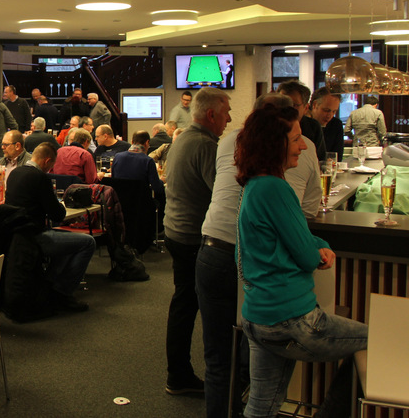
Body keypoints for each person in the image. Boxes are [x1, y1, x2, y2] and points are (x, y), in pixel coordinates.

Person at [235, 105, 367, 418]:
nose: (304, 145)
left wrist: (316, 244)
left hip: (258, 316)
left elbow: (296, 239)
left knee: (261, 407)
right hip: (291, 319)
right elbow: (307, 255)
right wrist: (317, 248)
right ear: (275, 144)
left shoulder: (255, 186)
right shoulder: (276, 188)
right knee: (373, 341)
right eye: (296, 139)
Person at [196, 92, 321, 418]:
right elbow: (308, 213)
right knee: (259, 355)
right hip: (262, 263)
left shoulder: (228, 142)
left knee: (218, 357)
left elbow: (221, 191)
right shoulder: (301, 148)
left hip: (214, 250)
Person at [163, 87, 231, 396]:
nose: (229, 119)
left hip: (175, 230)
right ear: (212, 114)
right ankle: (180, 375)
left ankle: (178, 373)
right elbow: (222, 193)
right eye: (227, 112)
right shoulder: (205, 145)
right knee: (193, 307)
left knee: (183, 304)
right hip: (192, 236)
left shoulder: (183, 138)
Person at [4, 143, 95, 313]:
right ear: (47, 161)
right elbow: (57, 215)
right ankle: (63, 293)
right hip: (36, 236)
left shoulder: (15, 173)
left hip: (17, 236)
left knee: (67, 245)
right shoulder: (39, 178)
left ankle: (51, 286)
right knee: (87, 242)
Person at [111, 130, 165, 206]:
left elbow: (114, 180)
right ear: (147, 142)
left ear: (132, 142)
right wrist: (162, 181)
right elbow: (157, 188)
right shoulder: (148, 161)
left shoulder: (117, 157)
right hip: (141, 205)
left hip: (121, 204)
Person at [277, 80, 327, 161]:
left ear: (306, 108)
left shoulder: (313, 127)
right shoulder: (270, 127)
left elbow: (320, 160)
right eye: (283, 104)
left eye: (294, 105)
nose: (287, 108)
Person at [310, 87, 344, 161]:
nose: (330, 116)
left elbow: (337, 158)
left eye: (334, 111)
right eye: (326, 110)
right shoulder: (302, 124)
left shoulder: (336, 125)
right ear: (315, 105)